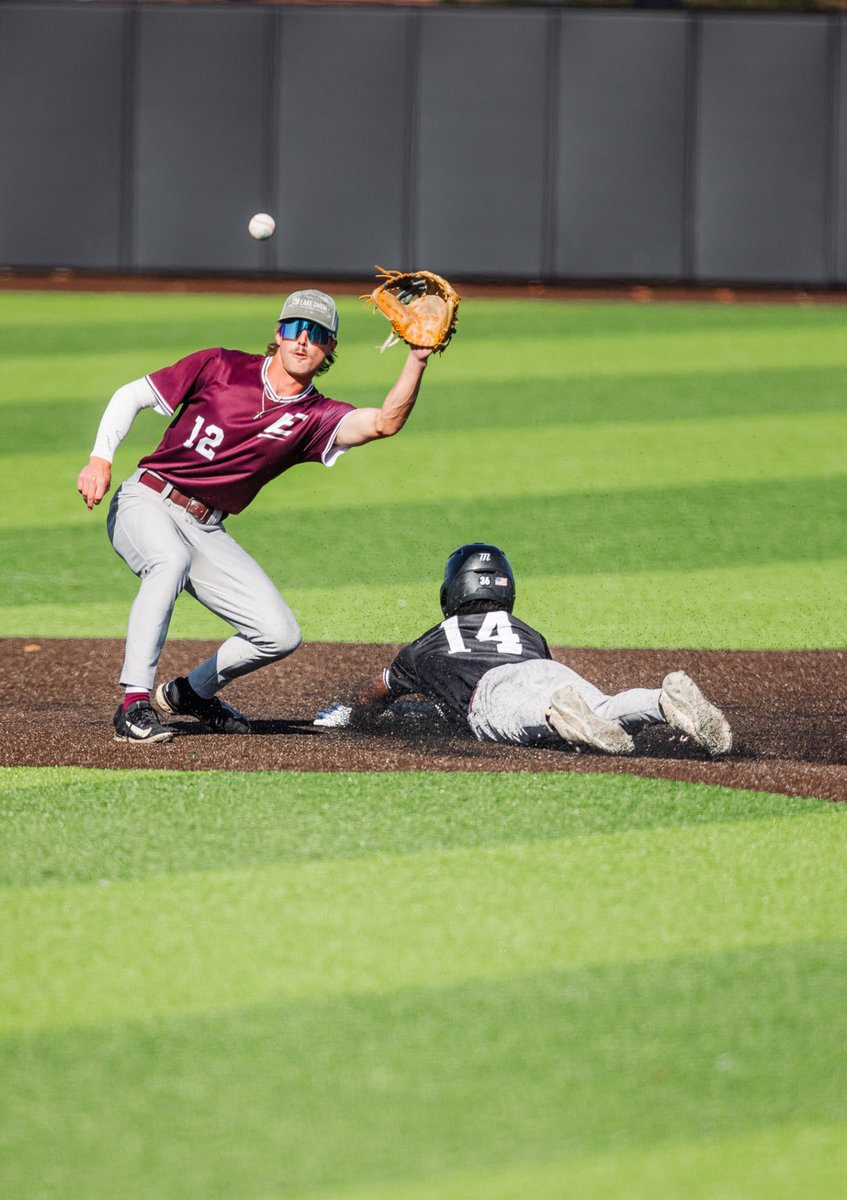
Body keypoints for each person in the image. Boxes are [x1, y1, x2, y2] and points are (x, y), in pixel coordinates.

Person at [77, 288, 432, 743]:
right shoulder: (220, 365)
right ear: (278, 335)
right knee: (167, 563)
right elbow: (132, 395)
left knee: (278, 633)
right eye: (294, 328)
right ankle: (134, 704)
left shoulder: (314, 416)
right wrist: (100, 458)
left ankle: (191, 693)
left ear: (330, 349)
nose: (303, 340)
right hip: (146, 499)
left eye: (317, 334)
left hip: (206, 527)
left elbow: (384, 422)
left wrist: (417, 359)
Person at [314, 542, 733, 757]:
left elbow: (376, 692)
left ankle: (558, 715)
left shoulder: (425, 648)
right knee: (602, 708)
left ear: (452, 590)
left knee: (537, 717)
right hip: (545, 671)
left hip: (491, 692)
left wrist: (355, 717)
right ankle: (662, 702)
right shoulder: (528, 633)